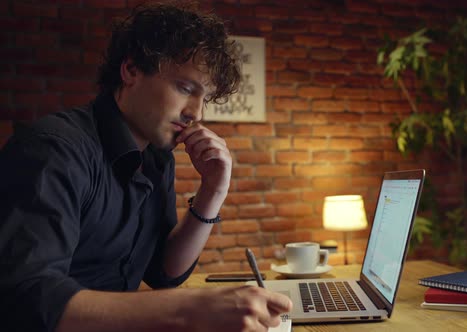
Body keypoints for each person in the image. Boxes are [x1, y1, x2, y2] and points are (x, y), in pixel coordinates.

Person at [0, 2, 291, 332]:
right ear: (131, 70)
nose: (196, 112)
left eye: (205, 98)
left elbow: (164, 273)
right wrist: (192, 308)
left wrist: (213, 190)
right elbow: (25, 300)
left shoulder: (157, 157)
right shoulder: (53, 149)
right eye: (185, 88)